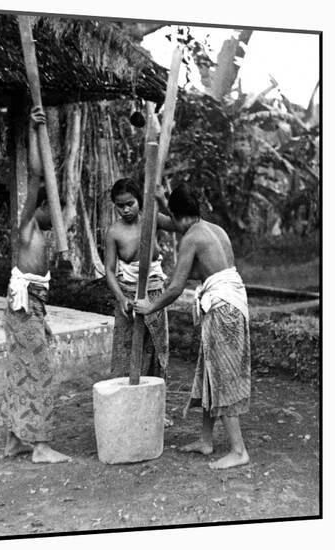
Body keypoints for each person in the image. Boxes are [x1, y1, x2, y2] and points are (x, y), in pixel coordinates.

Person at [133, 183, 251, 470]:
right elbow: (180, 225)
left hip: (222, 309)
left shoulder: (192, 239)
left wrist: (150, 306)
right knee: (210, 371)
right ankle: (206, 441)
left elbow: (175, 287)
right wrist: (163, 199)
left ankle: (238, 450)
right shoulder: (214, 229)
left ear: (178, 214)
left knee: (222, 376)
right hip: (232, 304)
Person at [1, 106, 71, 464]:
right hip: (23, 307)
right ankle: (40, 446)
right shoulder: (27, 225)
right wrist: (32, 128)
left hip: (31, 307)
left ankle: (15, 439)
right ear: (41, 207)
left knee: (23, 370)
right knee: (41, 372)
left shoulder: (41, 233)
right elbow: (34, 173)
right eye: (53, 207)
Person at [104, 178, 177, 389]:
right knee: (125, 350)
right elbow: (109, 269)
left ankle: (153, 404)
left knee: (155, 349)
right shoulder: (114, 232)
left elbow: (177, 224)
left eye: (130, 204)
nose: (126, 209)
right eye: (120, 205)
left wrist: (162, 200)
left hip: (154, 293)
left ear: (139, 201)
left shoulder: (152, 220)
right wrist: (121, 298)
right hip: (127, 294)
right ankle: (123, 402)